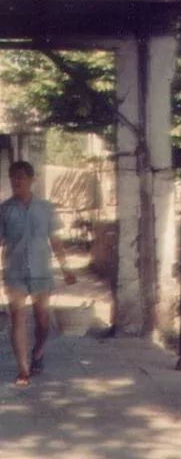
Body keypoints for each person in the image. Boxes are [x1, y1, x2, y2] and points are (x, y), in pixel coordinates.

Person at [0, 161, 76, 387]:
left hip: (42, 271)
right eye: (13, 177)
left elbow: (56, 241)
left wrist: (66, 268)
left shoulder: (46, 208)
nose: (17, 181)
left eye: (21, 176)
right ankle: (23, 369)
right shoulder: (4, 210)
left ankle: (38, 353)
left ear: (32, 179)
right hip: (14, 272)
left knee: (43, 321)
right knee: (17, 317)